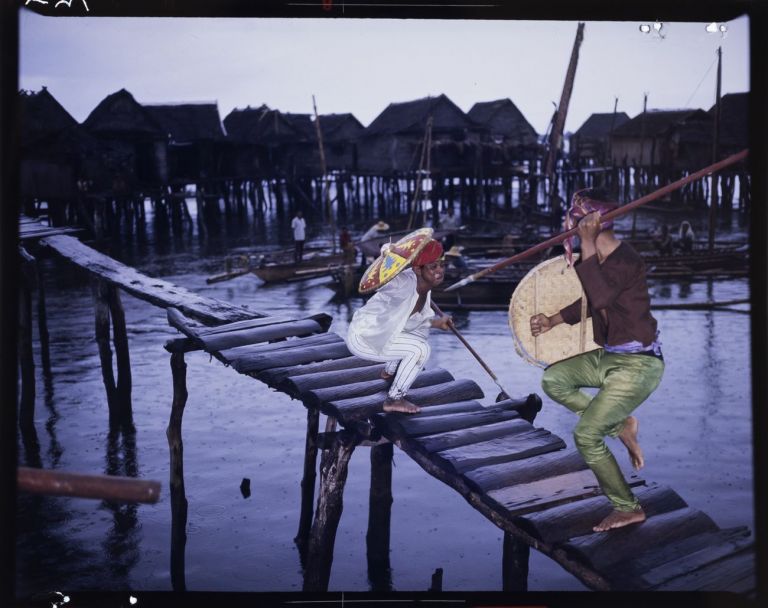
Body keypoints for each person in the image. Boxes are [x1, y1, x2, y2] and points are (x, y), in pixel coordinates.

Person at [529, 188, 664, 533]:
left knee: (587, 436)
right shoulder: (600, 262)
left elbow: (601, 293)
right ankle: (621, 425)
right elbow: (591, 301)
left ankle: (627, 507)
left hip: (639, 366)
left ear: (589, 223)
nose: (569, 224)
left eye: (573, 219)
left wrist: (586, 241)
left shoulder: (626, 260)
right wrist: (552, 320)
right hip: (612, 357)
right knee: (554, 379)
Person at [346, 239, 453, 413]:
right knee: (420, 350)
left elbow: (413, 322)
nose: (440, 271)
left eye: (442, 265)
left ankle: (389, 371)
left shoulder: (425, 286)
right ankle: (394, 399)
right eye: (433, 267)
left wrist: (437, 323)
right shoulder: (400, 282)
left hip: (382, 334)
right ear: (418, 269)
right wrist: (388, 253)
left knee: (419, 334)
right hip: (364, 338)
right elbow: (382, 279)